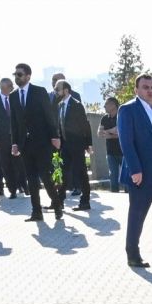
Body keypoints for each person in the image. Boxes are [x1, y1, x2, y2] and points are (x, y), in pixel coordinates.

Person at [116, 74, 152, 268]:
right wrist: (135, 170)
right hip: (142, 175)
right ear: (136, 90)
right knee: (137, 216)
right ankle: (133, 255)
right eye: (146, 87)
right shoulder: (128, 109)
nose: (150, 91)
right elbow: (126, 142)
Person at [9, 63, 64, 222]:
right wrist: (14, 143)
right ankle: (36, 212)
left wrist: (55, 136)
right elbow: (14, 121)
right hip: (25, 144)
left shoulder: (39, 92)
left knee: (45, 177)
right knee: (31, 179)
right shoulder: (13, 96)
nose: (17, 77)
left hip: (42, 142)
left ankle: (57, 204)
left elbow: (49, 115)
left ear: (28, 76)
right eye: (15, 74)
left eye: (19, 74)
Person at [53, 80, 92, 212]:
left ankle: (85, 201)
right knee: (63, 174)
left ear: (66, 90)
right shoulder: (59, 105)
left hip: (77, 144)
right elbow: (59, 125)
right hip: (65, 145)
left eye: (58, 89)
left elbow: (85, 125)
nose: (56, 92)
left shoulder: (76, 105)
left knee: (81, 173)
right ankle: (60, 201)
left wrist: (88, 144)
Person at [99, 97, 123, 194]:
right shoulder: (104, 118)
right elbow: (100, 133)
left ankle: (129, 193)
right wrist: (113, 132)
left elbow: (121, 131)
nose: (104, 106)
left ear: (113, 105)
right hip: (110, 152)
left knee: (127, 174)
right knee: (113, 174)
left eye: (106, 104)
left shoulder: (121, 116)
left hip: (123, 151)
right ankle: (114, 193)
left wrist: (108, 132)